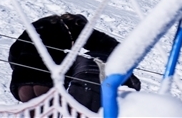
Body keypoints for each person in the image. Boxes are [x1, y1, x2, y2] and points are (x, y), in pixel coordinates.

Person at [8, 12, 140, 111]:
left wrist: (24, 70)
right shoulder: (71, 26)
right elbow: (101, 42)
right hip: (46, 81)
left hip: (22, 85)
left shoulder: (36, 27)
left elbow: (13, 54)